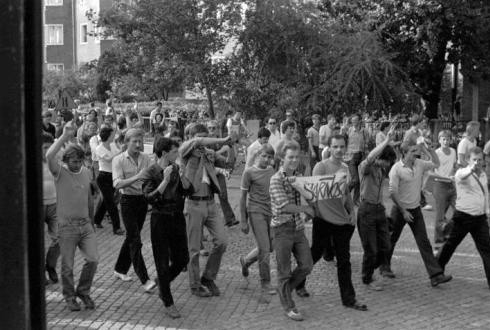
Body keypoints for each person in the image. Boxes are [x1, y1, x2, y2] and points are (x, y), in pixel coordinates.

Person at [295, 135, 367, 311]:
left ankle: (349, 299)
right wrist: (314, 212)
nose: (339, 150)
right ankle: (297, 282)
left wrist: (351, 211)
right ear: (329, 148)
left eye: (342, 146)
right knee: (315, 254)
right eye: (335, 146)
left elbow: (345, 194)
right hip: (323, 220)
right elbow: (312, 193)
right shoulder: (321, 166)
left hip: (341, 221)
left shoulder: (344, 167)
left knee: (344, 260)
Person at [383, 141, 453, 286]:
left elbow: (436, 163)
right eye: (413, 150)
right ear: (404, 153)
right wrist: (403, 211)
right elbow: (392, 193)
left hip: (415, 209)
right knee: (391, 239)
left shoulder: (419, 163)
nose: (416, 152)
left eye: (416, 149)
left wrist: (431, 151)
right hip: (400, 209)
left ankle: (435, 275)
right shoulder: (396, 169)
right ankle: (384, 266)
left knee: (424, 242)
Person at [45, 121, 99, 311]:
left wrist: (92, 223)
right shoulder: (59, 172)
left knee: (92, 260)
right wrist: (66, 136)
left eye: (80, 161)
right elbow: (49, 155)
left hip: (85, 226)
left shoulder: (85, 172)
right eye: (74, 161)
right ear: (66, 161)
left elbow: (89, 199)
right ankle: (69, 297)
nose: (78, 165)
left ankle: (83, 292)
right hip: (66, 227)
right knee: (67, 266)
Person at [179, 123, 234, 297]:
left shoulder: (207, 153)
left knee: (222, 241)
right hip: (193, 204)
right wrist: (223, 139)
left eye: (206, 137)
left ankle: (208, 277)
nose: (205, 142)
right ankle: (195, 285)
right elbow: (197, 141)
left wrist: (229, 148)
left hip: (210, 203)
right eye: (202, 138)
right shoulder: (185, 150)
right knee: (193, 249)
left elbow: (227, 162)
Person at [141, 137, 189, 319]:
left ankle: (163, 283)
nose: (177, 155)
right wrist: (165, 180)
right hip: (160, 219)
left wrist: (183, 177)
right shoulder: (151, 171)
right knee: (161, 261)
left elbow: (187, 191)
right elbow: (149, 198)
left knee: (182, 258)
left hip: (176, 217)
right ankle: (168, 301)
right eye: (175, 152)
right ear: (164, 153)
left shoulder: (176, 168)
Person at [269, 141, 314, 321]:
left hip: (298, 228)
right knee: (284, 271)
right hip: (282, 229)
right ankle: (289, 306)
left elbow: (309, 195)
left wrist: (312, 206)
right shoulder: (276, 179)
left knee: (307, 265)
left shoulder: (298, 176)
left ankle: (285, 290)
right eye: (291, 157)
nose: (295, 160)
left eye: (297, 157)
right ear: (282, 158)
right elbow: (284, 206)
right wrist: (306, 210)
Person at [436, 147, 490, 288]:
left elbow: (485, 193)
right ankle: (435, 273)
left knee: (486, 250)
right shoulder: (462, 173)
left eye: (479, 160)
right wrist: (471, 168)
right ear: (468, 160)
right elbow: (463, 174)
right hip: (463, 217)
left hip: (479, 219)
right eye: (474, 160)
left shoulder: (483, 174)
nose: (477, 162)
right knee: (450, 245)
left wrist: (486, 210)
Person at [112, 128, 156, 292]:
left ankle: (120, 269)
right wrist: (138, 177)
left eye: (140, 141)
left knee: (131, 237)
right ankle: (145, 279)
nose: (138, 145)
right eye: (134, 142)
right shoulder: (118, 160)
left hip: (142, 201)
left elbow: (153, 177)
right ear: (127, 142)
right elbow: (117, 184)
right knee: (135, 240)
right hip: (127, 201)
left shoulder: (147, 158)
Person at [357, 126, 397, 291]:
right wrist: (386, 140)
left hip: (379, 210)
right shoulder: (365, 168)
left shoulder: (381, 170)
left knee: (386, 246)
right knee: (371, 249)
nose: (387, 165)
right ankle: (367, 277)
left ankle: (373, 268)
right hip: (366, 211)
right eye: (385, 161)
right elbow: (371, 157)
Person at [239, 144, 276, 303]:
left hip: (270, 212)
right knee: (265, 249)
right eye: (264, 156)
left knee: (271, 246)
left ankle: (246, 261)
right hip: (255, 211)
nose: (267, 159)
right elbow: (242, 197)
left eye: (269, 157)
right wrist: (243, 220)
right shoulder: (249, 172)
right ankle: (265, 282)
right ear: (257, 155)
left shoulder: (271, 171)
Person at [93, 126, 124, 235]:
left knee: (106, 201)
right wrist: (120, 151)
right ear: (108, 135)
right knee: (111, 202)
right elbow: (108, 159)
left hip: (113, 176)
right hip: (103, 177)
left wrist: (121, 150)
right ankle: (117, 228)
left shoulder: (113, 145)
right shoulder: (99, 148)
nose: (114, 136)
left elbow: (120, 156)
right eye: (112, 134)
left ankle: (96, 220)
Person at [432, 130, 457, 249]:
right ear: (439, 140)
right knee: (440, 215)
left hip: (451, 185)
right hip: (440, 185)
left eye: (448, 139)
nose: (446, 141)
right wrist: (446, 177)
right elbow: (433, 172)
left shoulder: (453, 151)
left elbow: (453, 166)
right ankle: (438, 239)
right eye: (444, 139)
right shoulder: (436, 153)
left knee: (459, 211)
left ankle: (446, 229)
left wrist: (453, 174)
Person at [42, 132, 60, 284]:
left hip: (54, 205)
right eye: (45, 147)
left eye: (50, 147)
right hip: (38, 206)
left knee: (59, 239)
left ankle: (50, 266)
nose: (47, 151)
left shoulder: (55, 162)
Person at [343, 114, 367, 205]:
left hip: (360, 156)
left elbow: (366, 143)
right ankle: (343, 193)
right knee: (355, 179)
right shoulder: (348, 130)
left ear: (359, 121)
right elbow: (343, 141)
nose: (354, 122)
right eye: (353, 121)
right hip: (351, 157)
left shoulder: (364, 131)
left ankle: (355, 200)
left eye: (356, 120)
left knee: (360, 180)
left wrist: (365, 154)